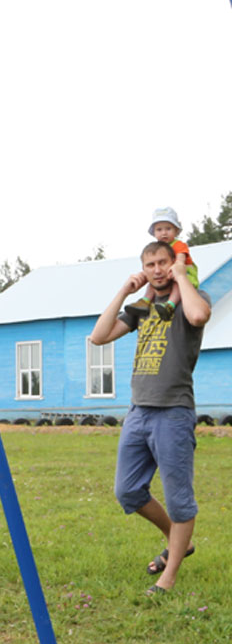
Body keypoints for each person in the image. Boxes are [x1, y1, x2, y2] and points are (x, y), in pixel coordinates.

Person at [91, 240, 211, 597]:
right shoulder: (141, 308)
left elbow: (199, 316)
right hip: (138, 411)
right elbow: (98, 336)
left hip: (173, 411)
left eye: (163, 262)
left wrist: (181, 277)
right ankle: (178, 541)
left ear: (173, 264)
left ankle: (168, 577)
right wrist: (124, 290)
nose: (157, 269)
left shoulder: (192, 296)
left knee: (179, 500)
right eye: (151, 264)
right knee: (127, 491)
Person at [124, 207, 199, 323]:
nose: (164, 233)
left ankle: (170, 305)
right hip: (168, 274)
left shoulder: (178, 245)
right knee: (152, 282)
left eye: (168, 229)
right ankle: (145, 300)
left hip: (184, 274)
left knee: (176, 285)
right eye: (159, 230)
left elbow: (180, 260)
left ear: (176, 231)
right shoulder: (157, 249)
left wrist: (177, 268)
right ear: (154, 233)